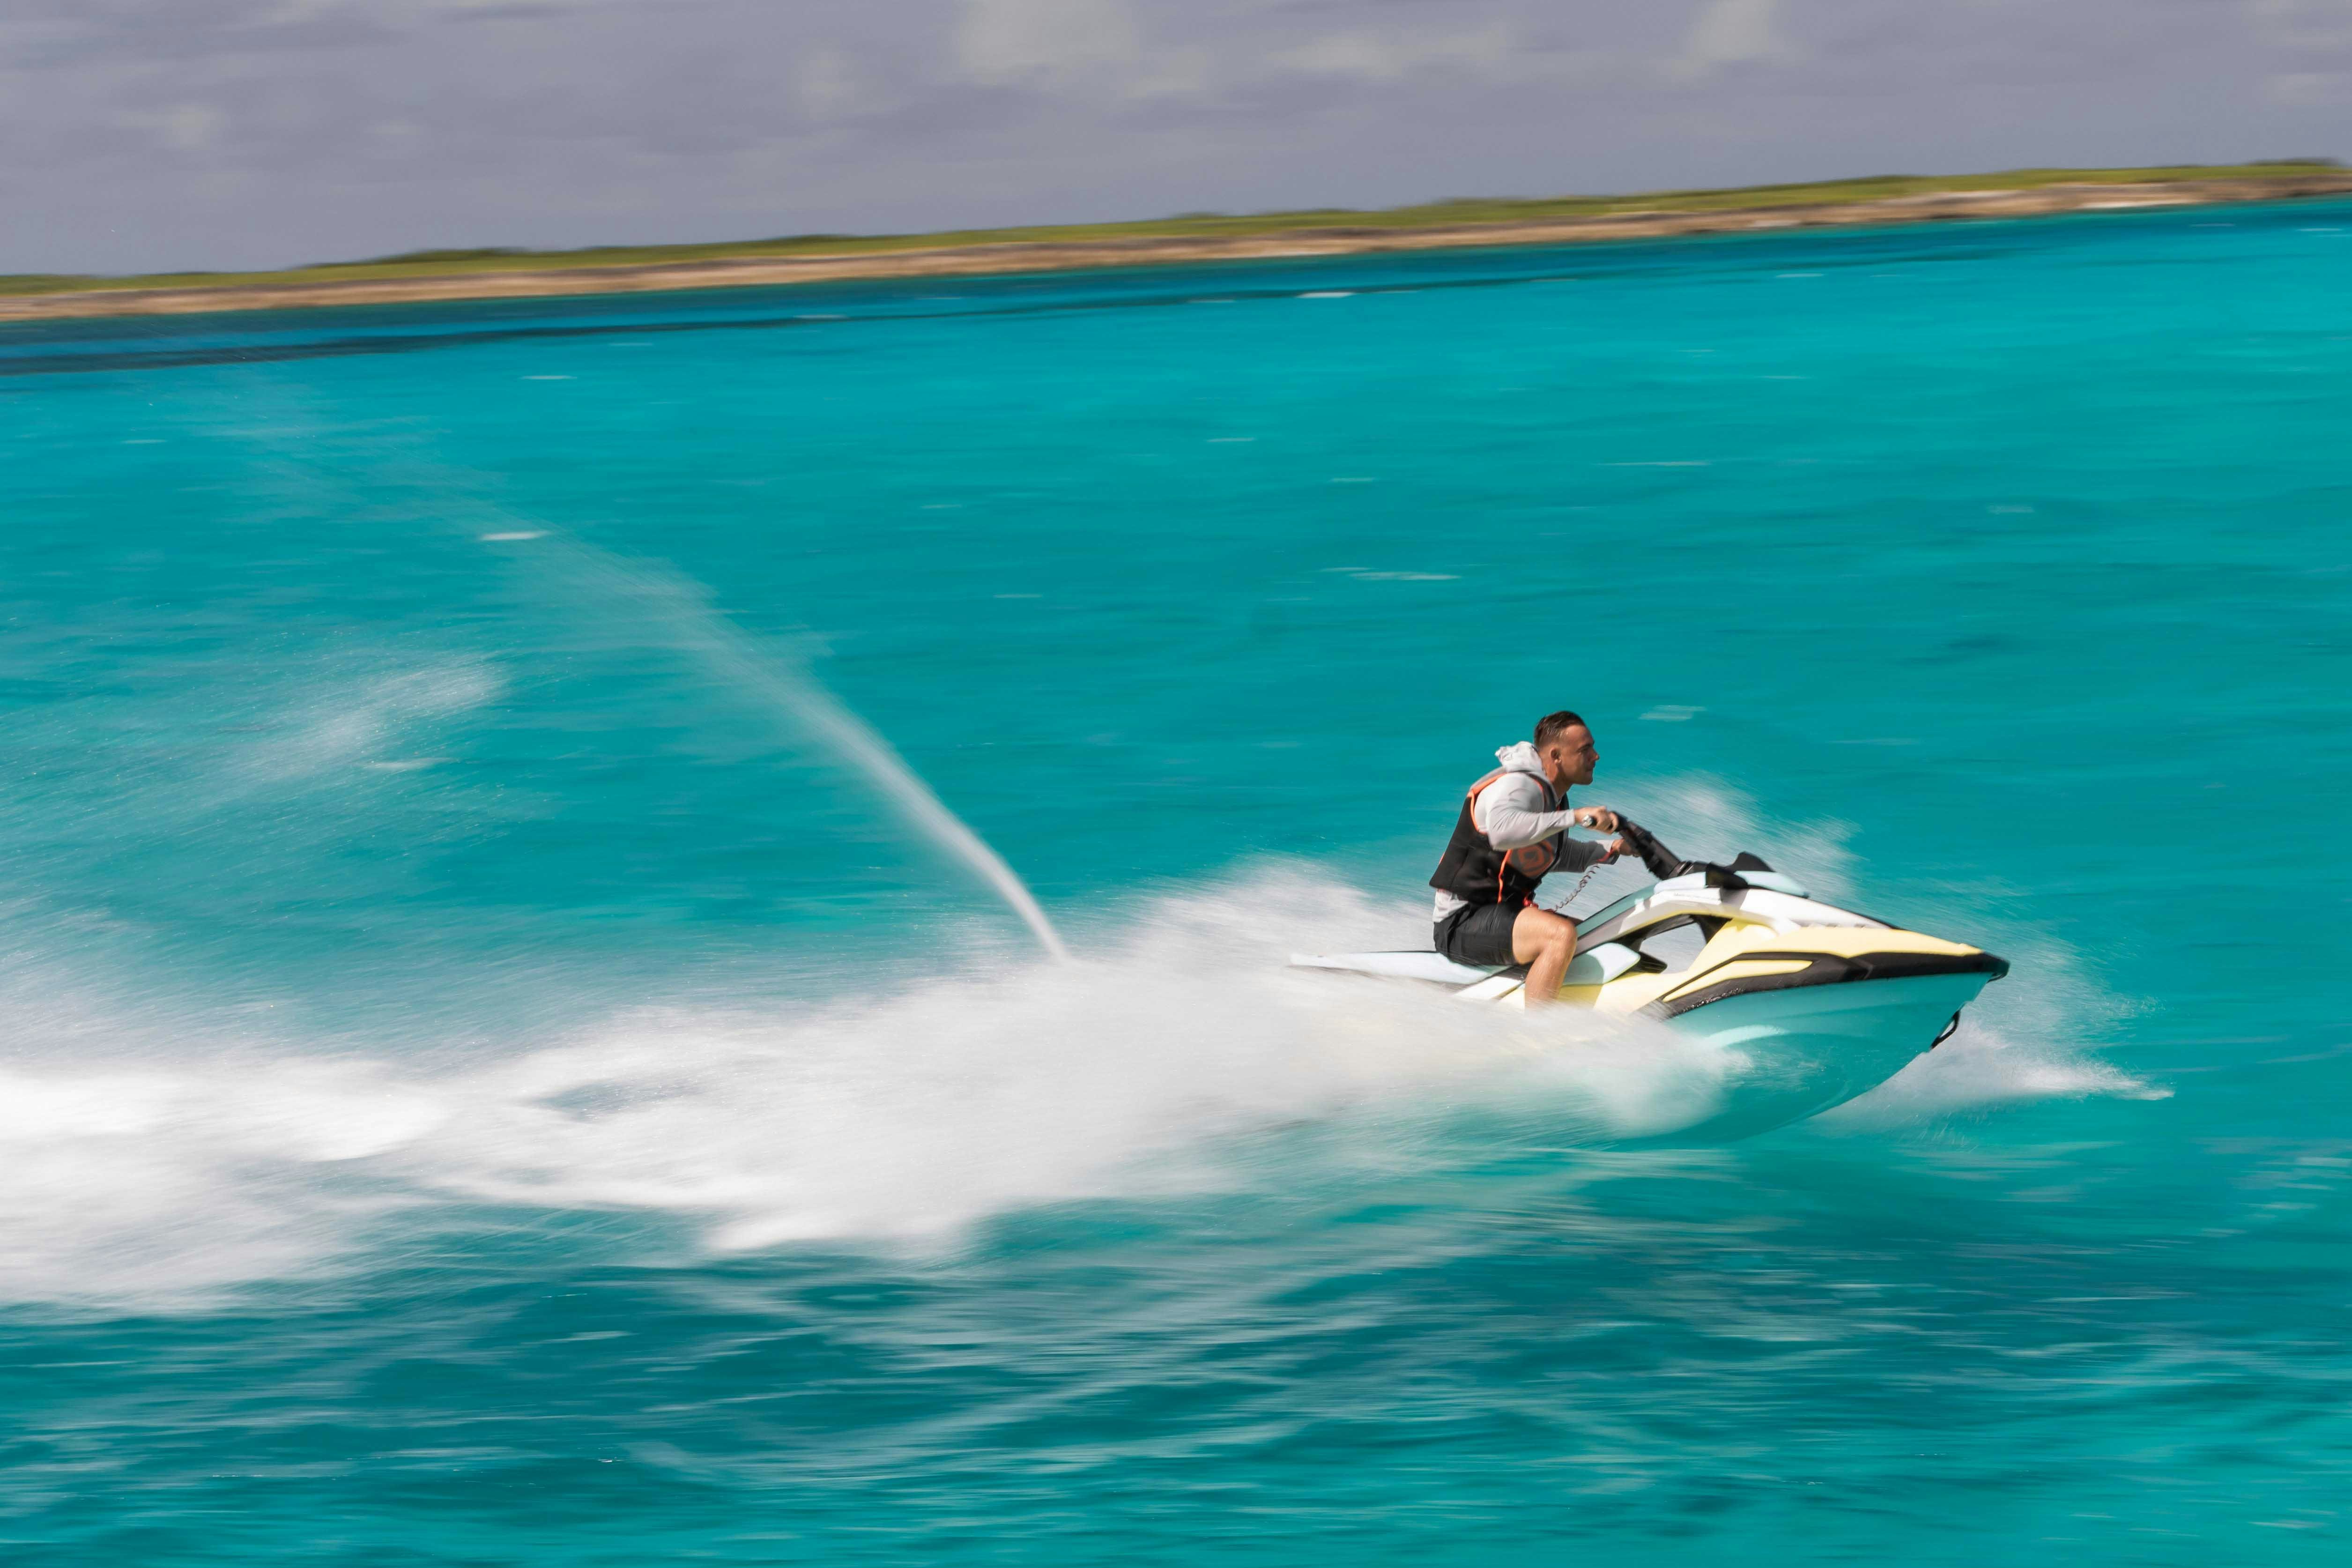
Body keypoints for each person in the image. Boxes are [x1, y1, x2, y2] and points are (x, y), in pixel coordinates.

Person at [1429, 711, 1625, 1006]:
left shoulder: (1553, 795)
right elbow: (1502, 833)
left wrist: (1613, 850)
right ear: (1556, 756)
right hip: (1462, 923)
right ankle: (1537, 1032)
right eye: (1585, 750)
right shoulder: (1520, 785)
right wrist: (1577, 817)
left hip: (1500, 915)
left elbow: (1548, 855)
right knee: (1560, 935)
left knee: (1597, 935)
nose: (1596, 756)